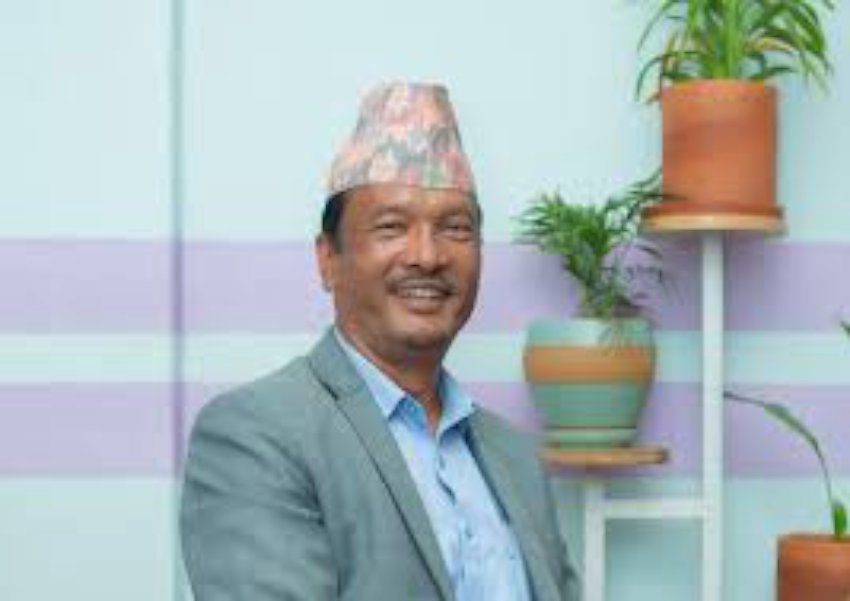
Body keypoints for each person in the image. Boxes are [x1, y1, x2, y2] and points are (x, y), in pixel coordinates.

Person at [180, 82, 580, 601]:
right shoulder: (258, 436)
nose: (427, 256)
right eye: (392, 227)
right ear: (328, 259)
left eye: (456, 229)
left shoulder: (515, 457)